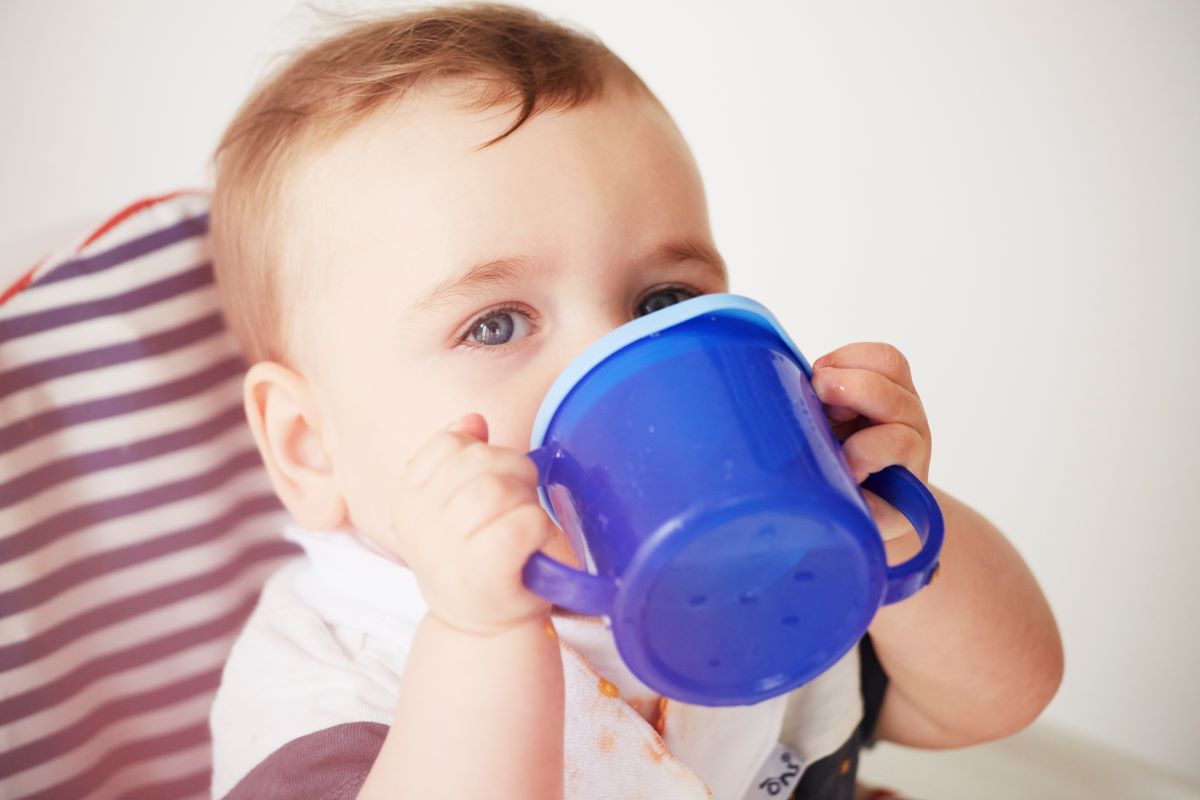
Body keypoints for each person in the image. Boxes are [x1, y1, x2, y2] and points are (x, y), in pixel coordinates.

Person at [205, 3, 1064, 798]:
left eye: (661, 302)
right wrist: (482, 640)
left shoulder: (751, 553)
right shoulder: (326, 676)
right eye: (497, 325)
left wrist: (887, 519)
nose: (611, 354)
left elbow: (991, 704)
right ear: (308, 445)